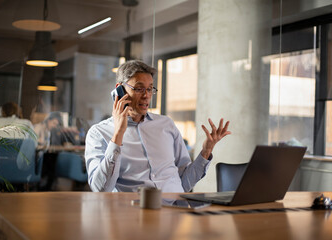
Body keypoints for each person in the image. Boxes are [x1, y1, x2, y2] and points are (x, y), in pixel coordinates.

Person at [85, 60, 231, 192]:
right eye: (139, 88)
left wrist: (206, 151)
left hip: (175, 211)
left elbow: (184, 184)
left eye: (150, 89)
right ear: (119, 90)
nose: (146, 95)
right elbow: (101, 189)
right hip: (133, 213)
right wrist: (118, 134)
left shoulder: (166, 124)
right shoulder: (98, 133)